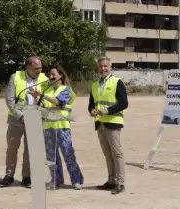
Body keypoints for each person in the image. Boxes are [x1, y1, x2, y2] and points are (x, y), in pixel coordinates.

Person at [1, 56, 49, 187]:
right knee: (12, 148)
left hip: (35, 120)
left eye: (40, 68)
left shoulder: (45, 79)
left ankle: (26, 177)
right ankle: (9, 175)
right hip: (16, 120)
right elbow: (10, 100)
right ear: (28, 68)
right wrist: (21, 116)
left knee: (30, 150)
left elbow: (46, 99)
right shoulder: (15, 77)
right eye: (36, 68)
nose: (39, 70)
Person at [36, 64, 84, 190]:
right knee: (51, 156)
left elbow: (59, 102)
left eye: (53, 74)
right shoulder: (47, 90)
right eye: (49, 74)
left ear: (60, 76)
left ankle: (76, 180)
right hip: (48, 127)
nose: (50, 77)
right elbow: (40, 106)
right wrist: (37, 98)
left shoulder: (66, 90)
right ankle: (56, 180)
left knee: (68, 153)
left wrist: (42, 95)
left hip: (62, 127)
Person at [89, 56, 128, 194]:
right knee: (107, 154)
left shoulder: (117, 82)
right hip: (100, 123)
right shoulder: (95, 85)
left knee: (117, 154)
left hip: (113, 122)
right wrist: (92, 110)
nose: (103, 68)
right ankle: (111, 181)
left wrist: (107, 110)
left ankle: (120, 183)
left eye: (105, 66)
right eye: (100, 66)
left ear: (110, 67)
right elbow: (92, 103)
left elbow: (124, 103)